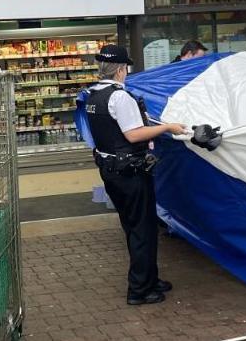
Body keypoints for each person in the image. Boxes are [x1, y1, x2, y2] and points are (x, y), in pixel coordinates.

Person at [85, 44, 188, 305]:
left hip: (112, 171)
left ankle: (150, 278)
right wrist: (168, 127)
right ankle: (140, 289)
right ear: (121, 69)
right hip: (130, 171)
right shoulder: (119, 97)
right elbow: (133, 134)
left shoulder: (93, 95)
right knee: (143, 229)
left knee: (133, 227)